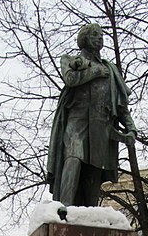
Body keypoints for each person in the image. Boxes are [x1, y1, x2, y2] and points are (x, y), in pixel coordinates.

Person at [47, 23, 136, 208]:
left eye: (101, 35)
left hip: (100, 127)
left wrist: (131, 128)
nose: (100, 38)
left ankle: (89, 215)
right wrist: (95, 71)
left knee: (93, 174)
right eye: (95, 34)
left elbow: (121, 106)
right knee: (73, 157)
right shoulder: (70, 60)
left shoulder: (111, 70)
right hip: (76, 121)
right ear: (84, 38)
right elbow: (71, 79)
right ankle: (64, 210)